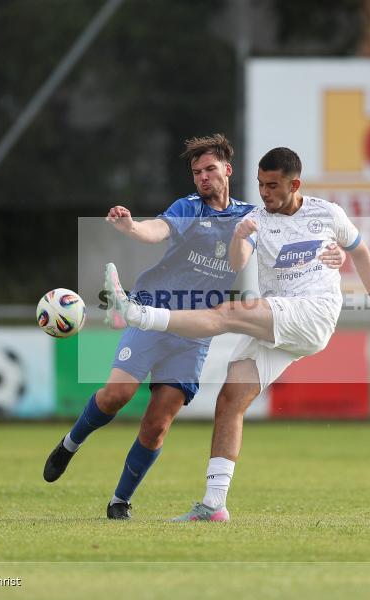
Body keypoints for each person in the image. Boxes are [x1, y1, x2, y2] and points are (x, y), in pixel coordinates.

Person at [42, 134, 345, 520]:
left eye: (210, 169)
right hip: (155, 311)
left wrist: (329, 252)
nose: (203, 177)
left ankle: (120, 502)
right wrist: (133, 228)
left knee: (157, 424)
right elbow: (158, 231)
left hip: (195, 332)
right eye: (197, 171)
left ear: (227, 170)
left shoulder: (251, 216)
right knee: (116, 394)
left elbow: (276, 245)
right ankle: (71, 443)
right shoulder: (188, 208)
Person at [105, 146, 370, 521]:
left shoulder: (328, 213)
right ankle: (213, 504)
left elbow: (360, 250)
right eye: (260, 185)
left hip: (314, 312)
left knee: (227, 314)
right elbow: (239, 260)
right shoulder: (257, 218)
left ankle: (139, 315)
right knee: (230, 399)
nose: (265, 193)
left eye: (273, 186)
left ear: (295, 184)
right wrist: (240, 236)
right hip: (282, 320)